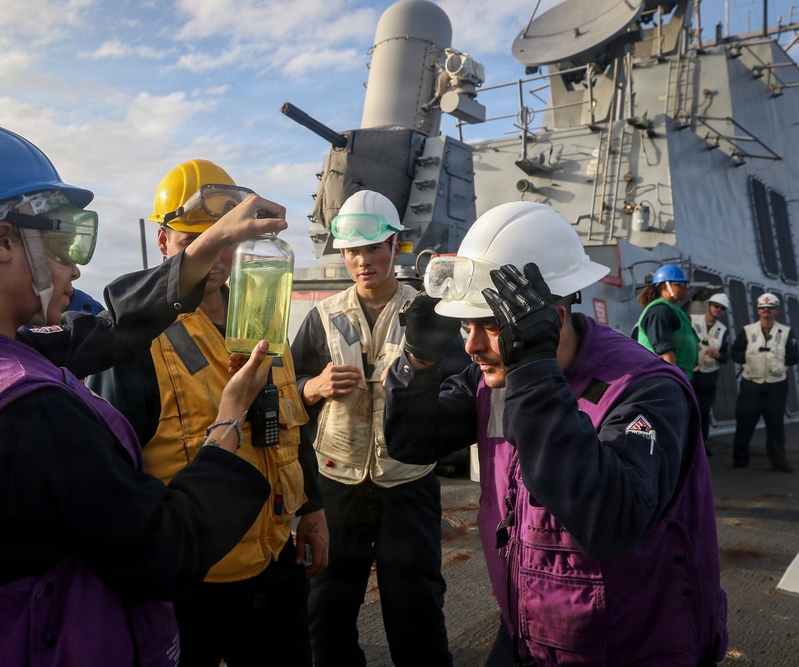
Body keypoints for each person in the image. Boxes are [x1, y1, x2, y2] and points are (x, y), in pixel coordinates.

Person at [0, 121, 288, 666]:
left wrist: (209, 243)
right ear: (1, 241)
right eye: (65, 241)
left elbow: (105, 332)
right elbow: (165, 553)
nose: (77, 265)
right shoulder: (29, 413)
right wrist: (230, 419)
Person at [383, 201, 727, 666]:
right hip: (528, 634)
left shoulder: (645, 391)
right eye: (465, 325)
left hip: (631, 648)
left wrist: (534, 374)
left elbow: (609, 522)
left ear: (554, 320)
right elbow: (412, 442)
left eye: (488, 326)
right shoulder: (495, 379)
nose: (471, 345)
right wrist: (417, 362)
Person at [86, 159, 326, 667]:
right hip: (192, 583)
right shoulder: (136, 342)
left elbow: (288, 417)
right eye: (195, 237)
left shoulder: (264, 311)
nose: (213, 251)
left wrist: (313, 510)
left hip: (275, 560)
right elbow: (115, 479)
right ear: (163, 241)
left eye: (222, 237)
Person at [290, 190, 466, 667]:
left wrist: (420, 383)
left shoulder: (426, 314)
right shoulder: (322, 318)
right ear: (342, 254)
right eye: (352, 250)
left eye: (373, 248)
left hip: (407, 483)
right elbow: (286, 389)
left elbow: (459, 392)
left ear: (395, 247)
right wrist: (314, 386)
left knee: (416, 612)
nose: (363, 260)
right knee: (326, 610)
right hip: (337, 483)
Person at [730, 292, 798, 472]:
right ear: (757, 310)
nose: (766, 311)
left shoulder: (786, 332)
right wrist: (752, 358)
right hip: (751, 383)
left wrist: (779, 359)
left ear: (777, 310)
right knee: (745, 422)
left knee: (775, 424)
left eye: (770, 308)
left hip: (776, 384)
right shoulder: (747, 331)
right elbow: (734, 353)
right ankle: (740, 459)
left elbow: (794, 356)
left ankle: (778, 461)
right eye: (762, 307)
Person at [634, 263, 699, 378]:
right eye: (680, 284)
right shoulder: (660, 311)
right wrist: (674, 379)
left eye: (686, 284)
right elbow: (665, 351)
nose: (685, 287)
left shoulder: (675, 311)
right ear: (664, 286)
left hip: (681, 374)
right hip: (661, 377)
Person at [691, 293, 732, 455]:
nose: (719, 310)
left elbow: (726, 357)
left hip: (708, 376)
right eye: (716, 306)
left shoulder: (723, 331)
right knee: (686, 409)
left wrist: (718, 355)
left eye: (722, 308)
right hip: (690, 372)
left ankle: (701, 445)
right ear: (709, 305)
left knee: (704, 412)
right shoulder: (691, 320)